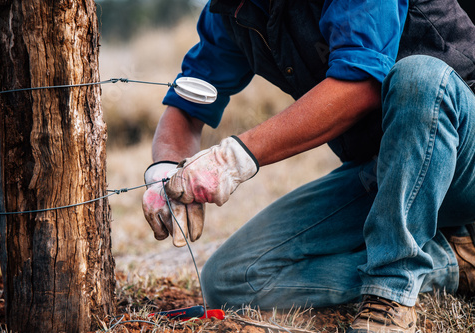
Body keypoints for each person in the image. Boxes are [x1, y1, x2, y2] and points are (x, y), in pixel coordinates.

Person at [141, 0, 475, 331]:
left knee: (419, 78)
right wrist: (164, 171)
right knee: (230, 280)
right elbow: (186, 106)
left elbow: (361, 85)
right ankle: (453, 261)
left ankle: (390, 292)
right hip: (388, 170)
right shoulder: (235, 8)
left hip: (463, 159)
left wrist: (232, 160)